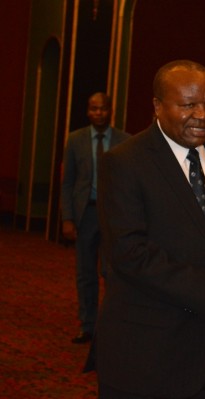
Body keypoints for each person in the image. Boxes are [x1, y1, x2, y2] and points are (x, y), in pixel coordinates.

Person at [91, 60, 205, 398]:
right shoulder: (125, 162)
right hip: (148, 354)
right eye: (188, 104)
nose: (203, 114)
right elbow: (130, 254)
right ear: (157, 106)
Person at [60, 92, 130, 344]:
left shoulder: (125, 141)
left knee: (111, 272)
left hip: (113, 215)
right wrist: (67, 218)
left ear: (110, 110)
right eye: (93, 108)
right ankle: (87, 325)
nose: (98, 112)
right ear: (88, 111)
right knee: (85, 273)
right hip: (86, 213)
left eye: (103, 108)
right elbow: (67, 182)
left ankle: (111, 326)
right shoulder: (75, 139)